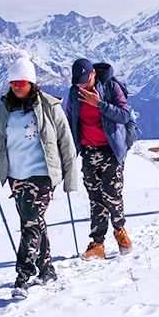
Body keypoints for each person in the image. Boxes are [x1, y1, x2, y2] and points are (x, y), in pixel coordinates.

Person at [0, 51, 79, 298]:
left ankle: (22, 277)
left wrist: (70, 178)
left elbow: (66, 143)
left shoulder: (49, 106)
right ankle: (47, 268)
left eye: (22, 82)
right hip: (15, 176)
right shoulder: (5, 108)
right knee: (34, 222)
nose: (17, 87)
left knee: (29, 224)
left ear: (32, 83)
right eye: (13, 83)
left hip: (42, 175)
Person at [65, 58, 133, 259]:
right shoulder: (74, 93)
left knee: (112, 195)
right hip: (88, 150)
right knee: (96, 199)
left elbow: (124, 115)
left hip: (110, 150)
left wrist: (100, 104)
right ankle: (97, 243)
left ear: (93, 73)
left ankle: (120, 230)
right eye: (79, 82)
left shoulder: (111, 87)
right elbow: (70, 119)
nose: (82, 86)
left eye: (85, 81)